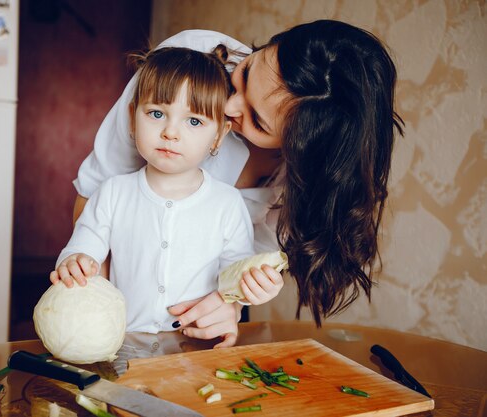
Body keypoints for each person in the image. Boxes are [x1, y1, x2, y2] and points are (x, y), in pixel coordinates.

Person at [71, 20, 404, 348]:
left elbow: (240, 269)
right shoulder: (194, 57)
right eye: (246, 73)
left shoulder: (299, 191)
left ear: (297, 149)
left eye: (257, 120)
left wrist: (230, 304)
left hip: (198, 333)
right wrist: (102, 318)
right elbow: (95, 197)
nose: (228, 106)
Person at [50, 47, 284, 347]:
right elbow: (84, 245)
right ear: (133, 119)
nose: (170, 132)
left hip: (197, 346)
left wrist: (257, 283)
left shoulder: (227, 204)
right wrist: (75, 260)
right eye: (157, 114)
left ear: (218, 136)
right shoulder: (112, 193)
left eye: (194, 121)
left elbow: (236, 272)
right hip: (122, 343)